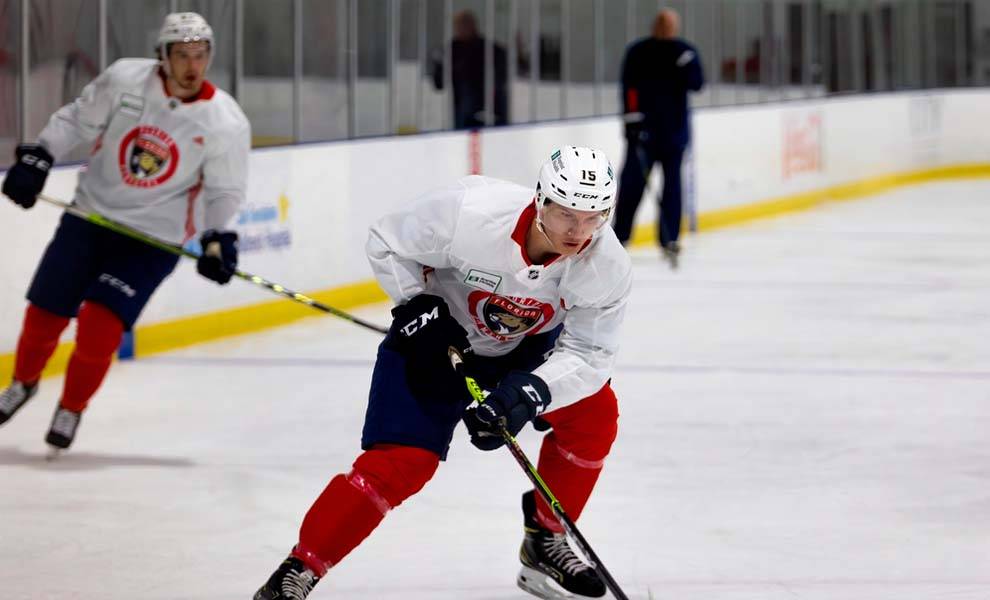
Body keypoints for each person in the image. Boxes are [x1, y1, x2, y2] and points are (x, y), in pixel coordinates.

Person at [254, 146, 632, 600]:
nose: (579, 231)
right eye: (568, 214)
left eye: (594, 217)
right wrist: (416, 304)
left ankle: (546, 539)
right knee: (401, 463)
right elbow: (387, 241)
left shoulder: (606, 265)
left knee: (594, 418)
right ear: (540, 200)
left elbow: (590, 353)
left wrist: (532, 392)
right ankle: (300, 570)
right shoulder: (471, 212)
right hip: (436, 339)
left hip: (526, 349)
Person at [0, 12, 250, 452]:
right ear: (162, 57)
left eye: (201, 55)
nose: (193, 67)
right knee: (44, 314)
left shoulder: (224, 121)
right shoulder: (125, 80)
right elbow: (78, 120)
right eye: (183, 56)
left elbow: (223, 189)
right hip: (89, 218)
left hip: (150, 242)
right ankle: (22, 383)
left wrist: (216, 236)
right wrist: (40, 155)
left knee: (99, 325)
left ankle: (72, 405)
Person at [612, 8, 704, 269]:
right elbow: (628, 87)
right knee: (631, 185)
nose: (665, 27)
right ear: (655, 24)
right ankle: (619, 237)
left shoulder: (684, 51)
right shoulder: (638, 51)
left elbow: (697, 84)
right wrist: (631, 120)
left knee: (672, 187)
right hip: (642, 134)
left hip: (674, 134)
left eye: (670, 23)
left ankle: (669, 238)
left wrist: (688, 66)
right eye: (662, 22)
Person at [431, 9, 508, 129]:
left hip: (491, 110)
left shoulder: (489, 49)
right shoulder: (451, 49)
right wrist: (440, 65)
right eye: (459, 25)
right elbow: (439, 83)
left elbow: (502, 75)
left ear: (473, 26)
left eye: (465, 25)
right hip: (463, 113)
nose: (461, 29)